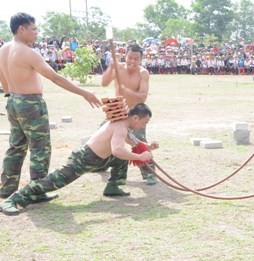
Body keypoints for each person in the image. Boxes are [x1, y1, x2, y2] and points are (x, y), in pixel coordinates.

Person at [0, 12, 101, 202]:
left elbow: (2, 76)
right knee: (40, 149)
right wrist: (84, 93)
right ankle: (36, 191)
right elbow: (55, 77)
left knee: (16, 147)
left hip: (13, 100)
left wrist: (11, 95)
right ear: (21, 29)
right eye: (34, 29)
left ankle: (6, 189)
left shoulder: (4, 49)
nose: (36, 33)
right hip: (30, 103)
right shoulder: (28, 52)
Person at [0, 104, 158, 216]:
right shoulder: (121, 126)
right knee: (54, 181)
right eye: (144, 122)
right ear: (136, 118)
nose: (143, 126)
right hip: (85, 158)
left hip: (100, 158)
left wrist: (148, 147)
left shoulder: (123, 125)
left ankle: (113, 187)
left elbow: (132, 142)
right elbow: (117, 150)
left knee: (120, 160)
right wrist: (139, 157)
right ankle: (13, 199)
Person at [101, 44, 158, 186]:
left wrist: (127, 91)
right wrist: (111, 68)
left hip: (135, 114)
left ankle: (149, 173)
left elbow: (143, 97)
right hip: (118, 111)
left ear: (141, 60)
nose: (132, 61)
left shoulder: (143, 73)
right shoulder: (118, 68)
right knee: (102, 136)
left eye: (136, 59)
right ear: (125, 56)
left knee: (138, 142)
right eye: (130, 58)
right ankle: (100, 164)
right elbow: (104, 82)